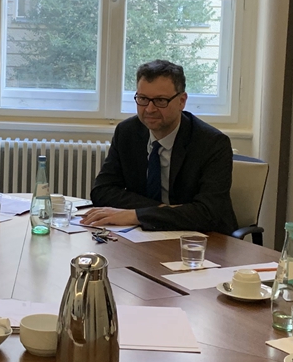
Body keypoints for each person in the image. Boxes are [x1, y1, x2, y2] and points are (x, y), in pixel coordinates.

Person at [85, 60, 237, 234]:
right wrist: (158, 210)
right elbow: (102, 191)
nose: (149, 109)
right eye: (143, 99)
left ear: (181, 101)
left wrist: (137, 215)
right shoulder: (127, 132)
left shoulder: (212, 143)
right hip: (145, 235)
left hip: (202, 239)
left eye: (160, 100)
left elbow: (208, 213)